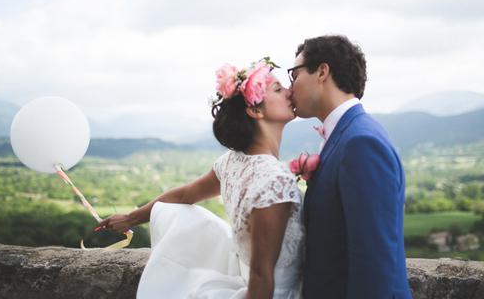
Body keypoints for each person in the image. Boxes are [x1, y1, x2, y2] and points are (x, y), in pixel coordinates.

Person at [98, 58, 305, 299]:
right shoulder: (274, 180)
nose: (290, 92)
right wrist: (130, 218)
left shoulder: (232, 162)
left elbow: (183, 196)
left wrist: (130, 218)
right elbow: (261, 277)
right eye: (278, 89)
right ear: (255, 110)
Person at [289, 35, 412, 298]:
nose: (290, 89)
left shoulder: (361, 142)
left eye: (294, 75)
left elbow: (374, 261)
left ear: (322, 72)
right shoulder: (345, 135)